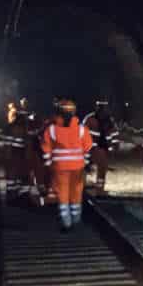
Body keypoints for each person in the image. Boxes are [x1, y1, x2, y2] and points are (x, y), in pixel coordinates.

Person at [41, 98, 93, 232]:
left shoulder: (51, 130)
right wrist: (86, 163)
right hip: (78, 168)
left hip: (59, 168)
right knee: (76, 193)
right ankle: (76, 220)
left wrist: (48, 165)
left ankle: (66, 223)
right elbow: (88, 148)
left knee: (62, 194)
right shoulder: (82, 129)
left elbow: (46, 149)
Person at [81, 99, 120, 193]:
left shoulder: (106, 119)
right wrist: (114, 146)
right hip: (94, 149)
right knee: (86, 169)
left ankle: (97, 190)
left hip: (97, 149)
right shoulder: (93, 119)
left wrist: (114, 145)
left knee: (96, 170)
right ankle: (94, 189)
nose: (102, 109)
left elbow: (114, 133)